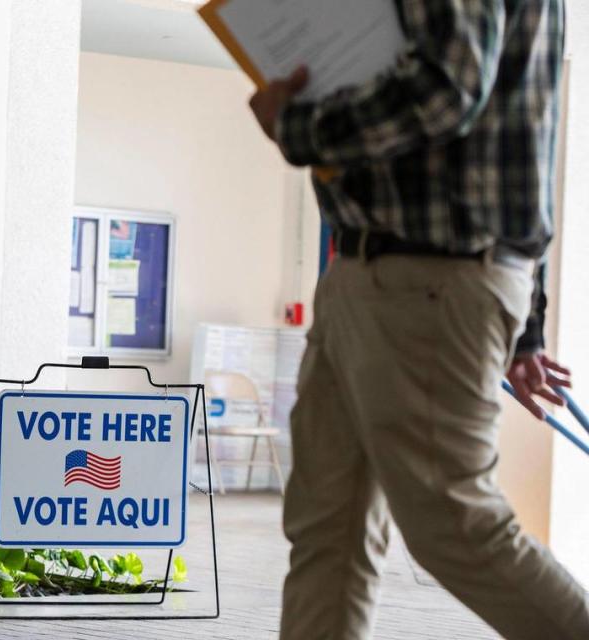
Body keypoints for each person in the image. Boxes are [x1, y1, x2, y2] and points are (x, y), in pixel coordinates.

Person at [248, 2, 589, 639]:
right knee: (329, 532)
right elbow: (518, 138)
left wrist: (300, 127)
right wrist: (526, 323)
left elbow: (447, 85)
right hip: (372, 270)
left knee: (456, 528)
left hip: (428, 278)